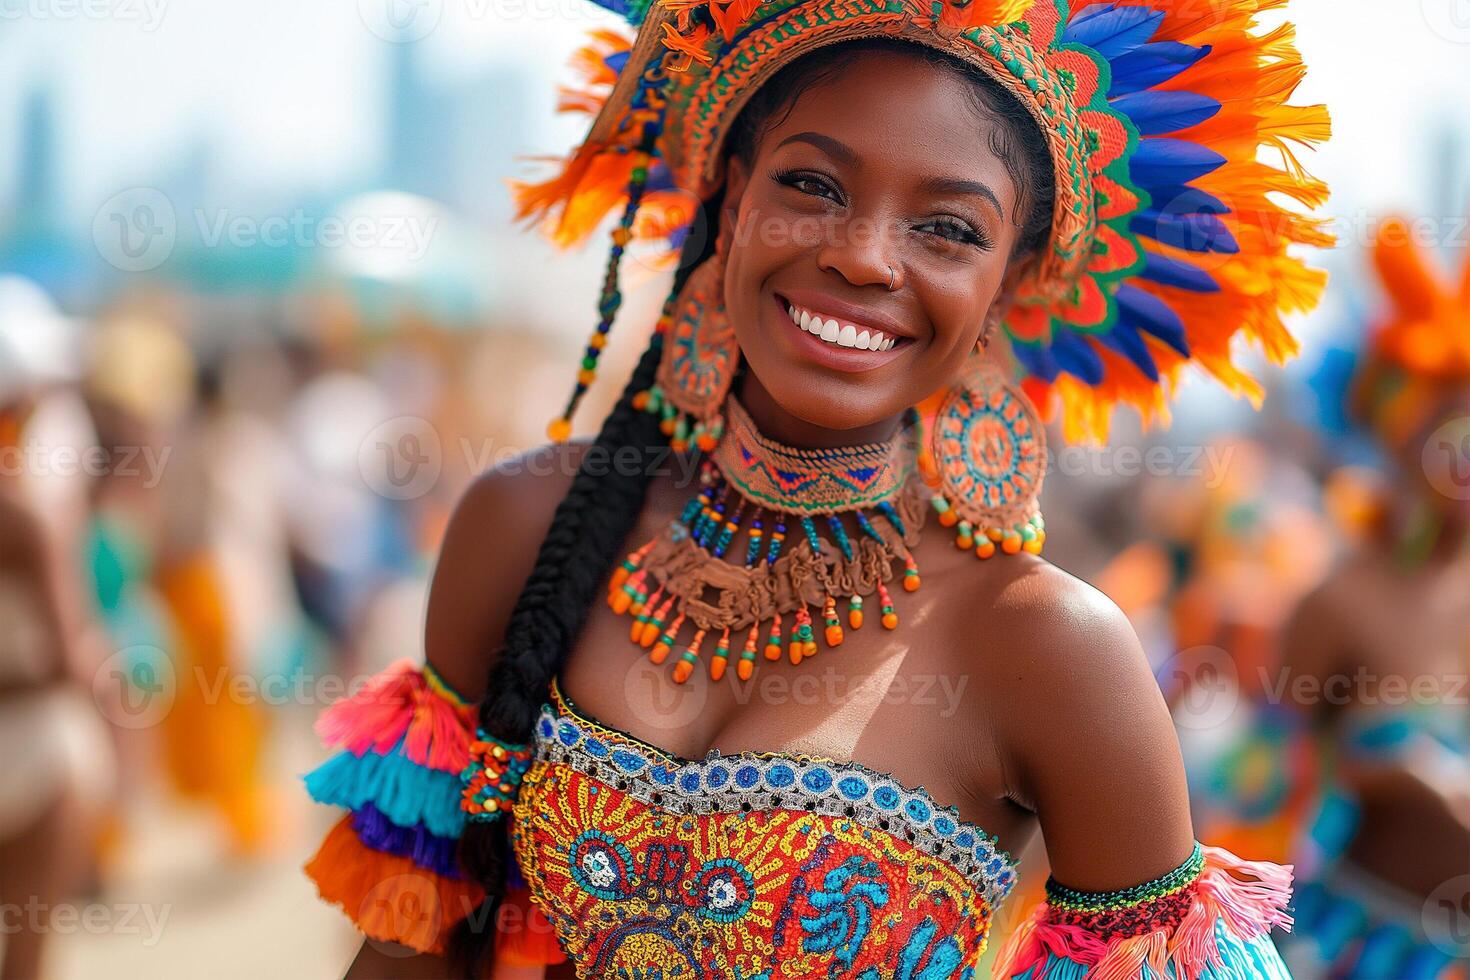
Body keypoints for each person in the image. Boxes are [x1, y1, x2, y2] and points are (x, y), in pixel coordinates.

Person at [301, 1, 1332, 976]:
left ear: (1011, 284)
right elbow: (406, 949)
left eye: (950, 229)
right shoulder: (526, 523)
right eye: (814, 186)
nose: (863, 256)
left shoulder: (1051, 648)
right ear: (733, 194)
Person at [1270, 217, 1470, 979]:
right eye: (1450, 413)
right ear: (1395, 424)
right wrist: (1375, 774)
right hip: (1348, 949)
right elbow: (1249, 796)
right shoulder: (1338, 603)